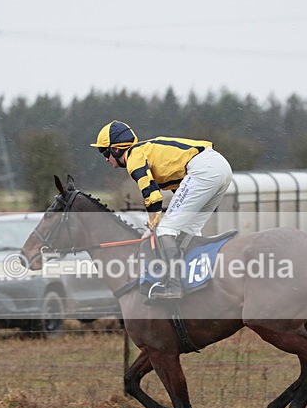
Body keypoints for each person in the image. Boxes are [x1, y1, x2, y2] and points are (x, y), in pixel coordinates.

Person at [91, 120, 233, 301]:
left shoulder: (134, 157)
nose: (105, 159)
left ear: (117, 149)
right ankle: (196, 284)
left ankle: (174, 286)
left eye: (105, 152)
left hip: (204, 170)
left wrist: (152, 226)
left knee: (165, 229)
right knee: (188, 231)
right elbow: (180, 191)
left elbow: (152, 196)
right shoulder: (146, 151)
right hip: (221, 168)